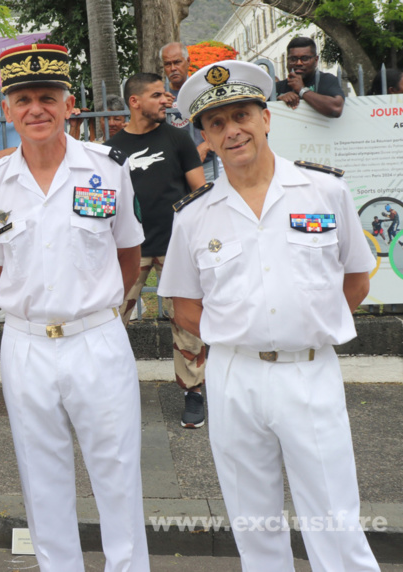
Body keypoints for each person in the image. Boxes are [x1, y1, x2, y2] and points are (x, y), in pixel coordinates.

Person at [160, 59, 380, 570]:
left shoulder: (325, 192)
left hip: (309, 369)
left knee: (334, 518)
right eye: (216, 123)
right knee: (253, 523)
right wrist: (243, 335)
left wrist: (307, 324)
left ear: (265, 117)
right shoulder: (194, 216)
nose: (232, 131)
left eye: (241, 115)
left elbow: (357, 280)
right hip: (235, 374)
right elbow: (186, 307)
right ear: (206, 137)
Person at [0, 43, 149, 571]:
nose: (36, 109)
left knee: (117, 475)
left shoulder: (106, 169)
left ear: (70, 104)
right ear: (7, 110)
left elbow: (128, 257)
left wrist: (89, 307)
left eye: (48, 97)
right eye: (23, 100)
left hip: (97, 340)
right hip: (26, 345)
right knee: (42, 481)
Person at [105, 72, 208, 428]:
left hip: (176, 247)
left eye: (166, 94)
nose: (165, 100)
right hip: (127, 249)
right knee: (108, 319)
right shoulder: (112, 149)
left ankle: (193, 391)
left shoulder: (178, 138)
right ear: (135, 102)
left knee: (186, 320)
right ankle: (107, 390)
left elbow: (200, 190)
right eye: (156, 95)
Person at [160, 42, 222, 182]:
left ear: (188, 62)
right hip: (173, 170)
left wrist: (206, 145)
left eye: (177, 62)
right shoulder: (159, 94)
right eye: (167, 64)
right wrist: (161, 110)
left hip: (208, 166)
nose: (173, 68)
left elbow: (221, 122)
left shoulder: (203, 89)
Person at [275, 36, 345, 118]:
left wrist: (302, 90)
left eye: (305, 58)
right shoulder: (276, 88)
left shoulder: (326, 80)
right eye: (293, 59)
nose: (298, 63)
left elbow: (336, 108)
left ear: (316, 60)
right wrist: (277, 102)